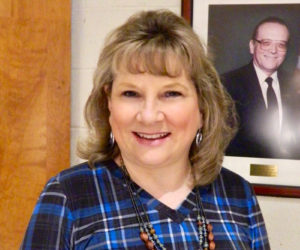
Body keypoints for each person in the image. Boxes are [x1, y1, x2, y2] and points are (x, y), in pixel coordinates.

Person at [21, 10, 270, 249]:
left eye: (171, 93)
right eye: (131, 93)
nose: (149, 116)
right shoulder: (68, 196)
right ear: (108, 102)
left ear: (202, 106)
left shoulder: (238, 195)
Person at [222, 16, 296, 159]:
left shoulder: (295, 85)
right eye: (266, 43)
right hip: (241, 174)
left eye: (281, 44)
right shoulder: (226, 84)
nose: (273, 50)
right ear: (252, 46)